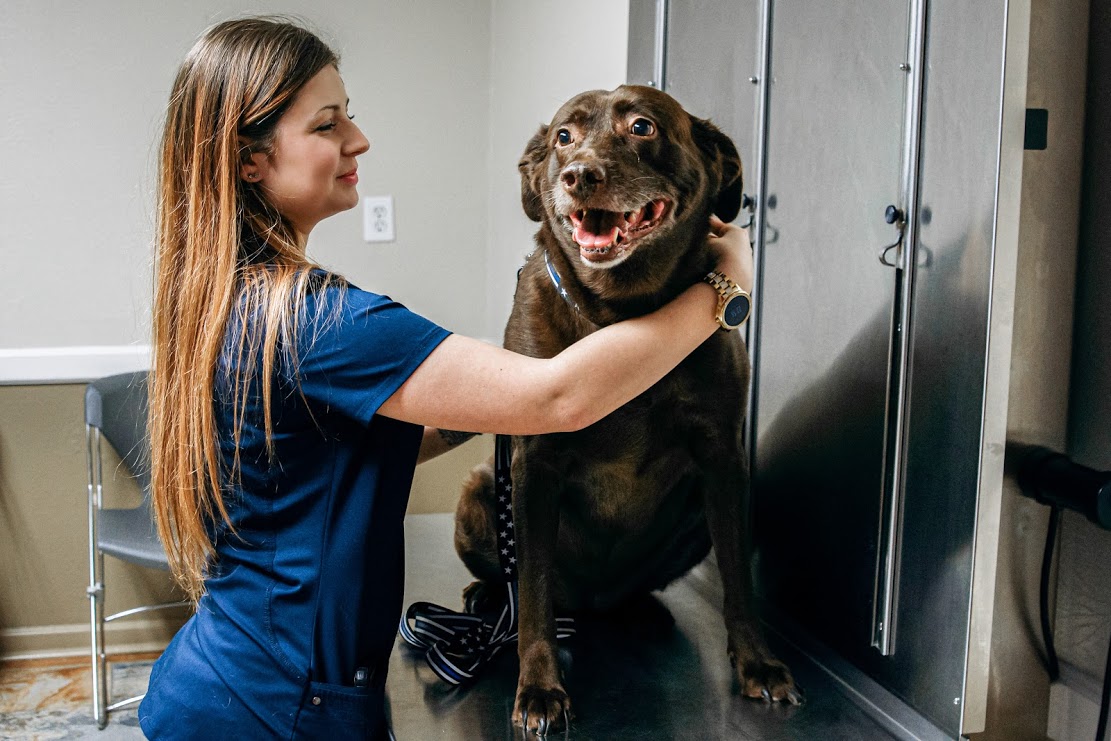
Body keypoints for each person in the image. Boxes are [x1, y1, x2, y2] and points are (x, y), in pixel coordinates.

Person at [137, 15, 754, 740]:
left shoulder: (235, 297)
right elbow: (560, 397)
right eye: (328, 125)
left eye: (351, 118)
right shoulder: (323, 320)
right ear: (249, 160)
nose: (357, 141)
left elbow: (350, 452)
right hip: (277, 711)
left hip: (221, 682)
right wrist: (723, 287)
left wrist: (486, 394)